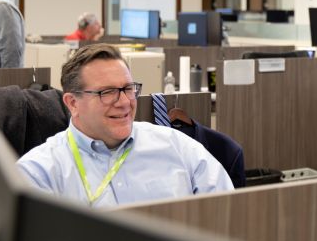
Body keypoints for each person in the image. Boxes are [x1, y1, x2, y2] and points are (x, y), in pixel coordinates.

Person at [17, 43, 234, 207]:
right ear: (73, 103)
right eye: (107, 92)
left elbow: (228, 216)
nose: (124, 102)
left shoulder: (179, 148)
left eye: (128, 89)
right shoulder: (39, 173)